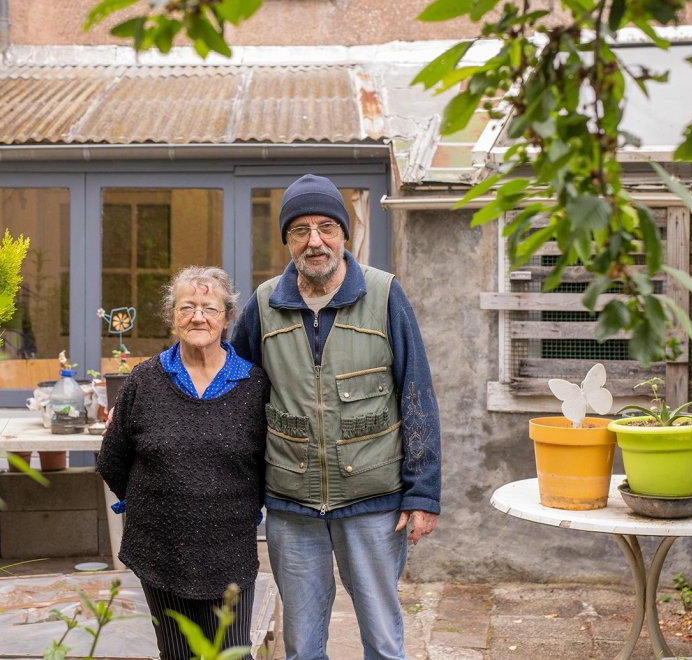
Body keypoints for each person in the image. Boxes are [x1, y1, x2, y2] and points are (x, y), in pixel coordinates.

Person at [229, 173, 441, 660]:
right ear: (287, 240)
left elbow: (417, 395)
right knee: (302, 647)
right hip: (291, 505)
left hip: (373, 501)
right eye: (300, 230)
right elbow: (232, 393)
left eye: (327, 226)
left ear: (345, 235)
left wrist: (423, 492)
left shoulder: (385, 294)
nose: (315, 240)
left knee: (384, 642)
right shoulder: (264, 304)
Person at [96, 266, 268, 660]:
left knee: (232, 655)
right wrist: (157, 505)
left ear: (226, 318)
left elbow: (268, 465)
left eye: (209, 308)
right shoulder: (144, 380)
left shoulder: (254, 385)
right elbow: (113, 459)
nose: (198, 317)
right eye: (186, 307)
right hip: (161, 550)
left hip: (230, 553)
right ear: (173, 317)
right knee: (176, 654)